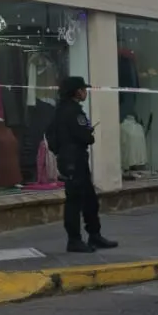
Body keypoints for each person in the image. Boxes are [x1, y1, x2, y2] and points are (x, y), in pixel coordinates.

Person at [48, 76, 119, 254]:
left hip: (67, 159)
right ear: (76, 91)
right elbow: (85, 137)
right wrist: (88, 134)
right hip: (75, 159)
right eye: (83, 89)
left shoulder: (58, 111)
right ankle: (75, 240)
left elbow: (50, 136)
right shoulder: (74, 112)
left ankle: (94, 235)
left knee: (88, 198)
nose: (85, 92)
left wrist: (60, 151)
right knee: (75, 201)